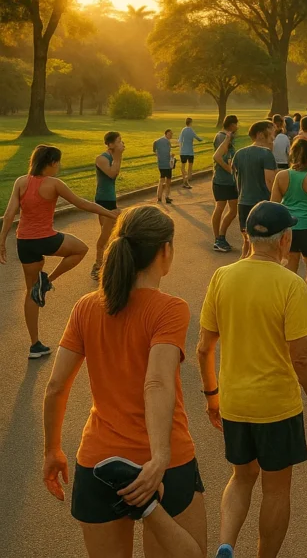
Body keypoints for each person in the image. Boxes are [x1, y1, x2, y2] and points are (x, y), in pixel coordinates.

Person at [42, 206, 205, 558]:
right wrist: (159, 458)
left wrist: (52, 449)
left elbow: (56, 386)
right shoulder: (169, 309)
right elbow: (158, 381)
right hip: (161, 463)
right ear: (165, 250)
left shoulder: (87, 307)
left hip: (99, 462)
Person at [197, 201, 307, 558]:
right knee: (275, 489)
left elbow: (203, 348)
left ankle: (225, 545)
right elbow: (301, 357)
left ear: (247, 236)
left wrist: (212, 394)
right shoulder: (291, 284)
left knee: (241, 477)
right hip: (275, 405)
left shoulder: (222, 276)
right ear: (285, 240)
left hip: (235, 401)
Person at [1, 145, 117, 358]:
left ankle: (35, 345)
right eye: (58, 162)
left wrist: (1, 242)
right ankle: (48, 281)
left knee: (30, 292)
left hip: (24, 242)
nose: (59, 166)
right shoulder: (54, 184)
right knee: (80, 249)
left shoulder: (21, 182)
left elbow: (9, 215)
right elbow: (82, 204)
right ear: (52, 162)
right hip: (46, 239)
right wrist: (110, 214)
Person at [271, 138, 307, 323]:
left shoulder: (281, 176)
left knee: (290, 270)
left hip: (289, 228)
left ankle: (287, 309)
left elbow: (273, 204)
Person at [230, 121, 278, 259]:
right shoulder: (266, 154)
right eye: (271, 132)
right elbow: (270, 181)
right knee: (262, 246)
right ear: (260, 135)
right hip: (261, 204)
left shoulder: (239, 154)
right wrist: (277, 202)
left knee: (247, 241)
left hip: (243, 202)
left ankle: (241, 269)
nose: (274, 136)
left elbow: (237, 178)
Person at [91, 131, 124, 280]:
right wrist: (118, 156)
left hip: (110, 199)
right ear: (110, 144)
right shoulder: (101, 158)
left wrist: (118, 155)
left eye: (121, 141)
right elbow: (112, 174)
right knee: (105, 236)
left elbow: (115, 172)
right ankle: (98, 267)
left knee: (110, 234)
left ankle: (106, 264)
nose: (121, 144)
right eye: (118, 141)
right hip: (104, 200)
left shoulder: (113, 157)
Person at [211, 116, 240, 253]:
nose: (237, 127)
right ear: (231, 125)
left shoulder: (228, 137)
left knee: (233, 210)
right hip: (221, 180)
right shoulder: (222, 137)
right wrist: (228, 169)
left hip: (230, 181)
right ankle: (218, 239)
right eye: (236, 124)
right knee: (220, 207)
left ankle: (221, 235)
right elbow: (218, 157)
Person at [153, 129, 176, 205]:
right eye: (170, 134)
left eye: (171, 134)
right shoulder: (167, 142)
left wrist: (157, 155)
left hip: (161, 164)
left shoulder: (158, 141)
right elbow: (166, 153)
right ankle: (166, 197)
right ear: (165, 134)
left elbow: (154, 148)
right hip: (167, 165)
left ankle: (159, 197)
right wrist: (172, 157)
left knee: (161, 180)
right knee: (168, 181)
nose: (171, 136)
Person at [178, 118, 202, 189]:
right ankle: (186, 180)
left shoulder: (183, 130)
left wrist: (180, 149)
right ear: (191, 123)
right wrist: (202, 139)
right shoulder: (191, 130)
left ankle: (185, 181)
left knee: (183, 166)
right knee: (190, 168)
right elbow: (197, 138)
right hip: (190, 152)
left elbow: (180, 140)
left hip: (183, 152)